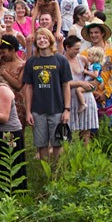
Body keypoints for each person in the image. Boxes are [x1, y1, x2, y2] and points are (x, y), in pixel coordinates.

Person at [21, 29, 71, 161]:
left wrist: (67, 109)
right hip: (38, 110)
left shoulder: (61, 60)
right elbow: (28, 88)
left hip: (57, 109)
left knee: (57, 143)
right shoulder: (31, 62)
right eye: (39, 39)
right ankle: (45, 173)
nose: (42, 41)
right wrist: (28, 112)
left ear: (50, 40)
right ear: (36, 42)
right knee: (41, 144)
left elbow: (66, 85)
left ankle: (57, 173)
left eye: (45, 38)